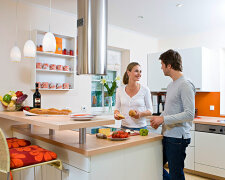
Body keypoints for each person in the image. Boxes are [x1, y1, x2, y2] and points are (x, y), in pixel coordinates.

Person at [150, 49, 195, 180]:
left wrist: (163, 118)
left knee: (176, 174)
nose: (161, 68)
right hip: (167, 135)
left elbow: (189, 114)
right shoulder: (170, 85)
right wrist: (159, 119)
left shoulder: (185, 84)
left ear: (169, 65)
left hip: (178, 138)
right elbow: (170, 109)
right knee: (155, 165)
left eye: (162, 64)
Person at [114, 62, 153, 131]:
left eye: (140, 72)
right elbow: (117, 109)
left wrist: (140, 114)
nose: (139, 74)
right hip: (124, 128)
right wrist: (116, 114)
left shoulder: (145, 90)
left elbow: (150, 111)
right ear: (128, 72)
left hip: (141, 128)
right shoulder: (120, 90)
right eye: (136, 71)